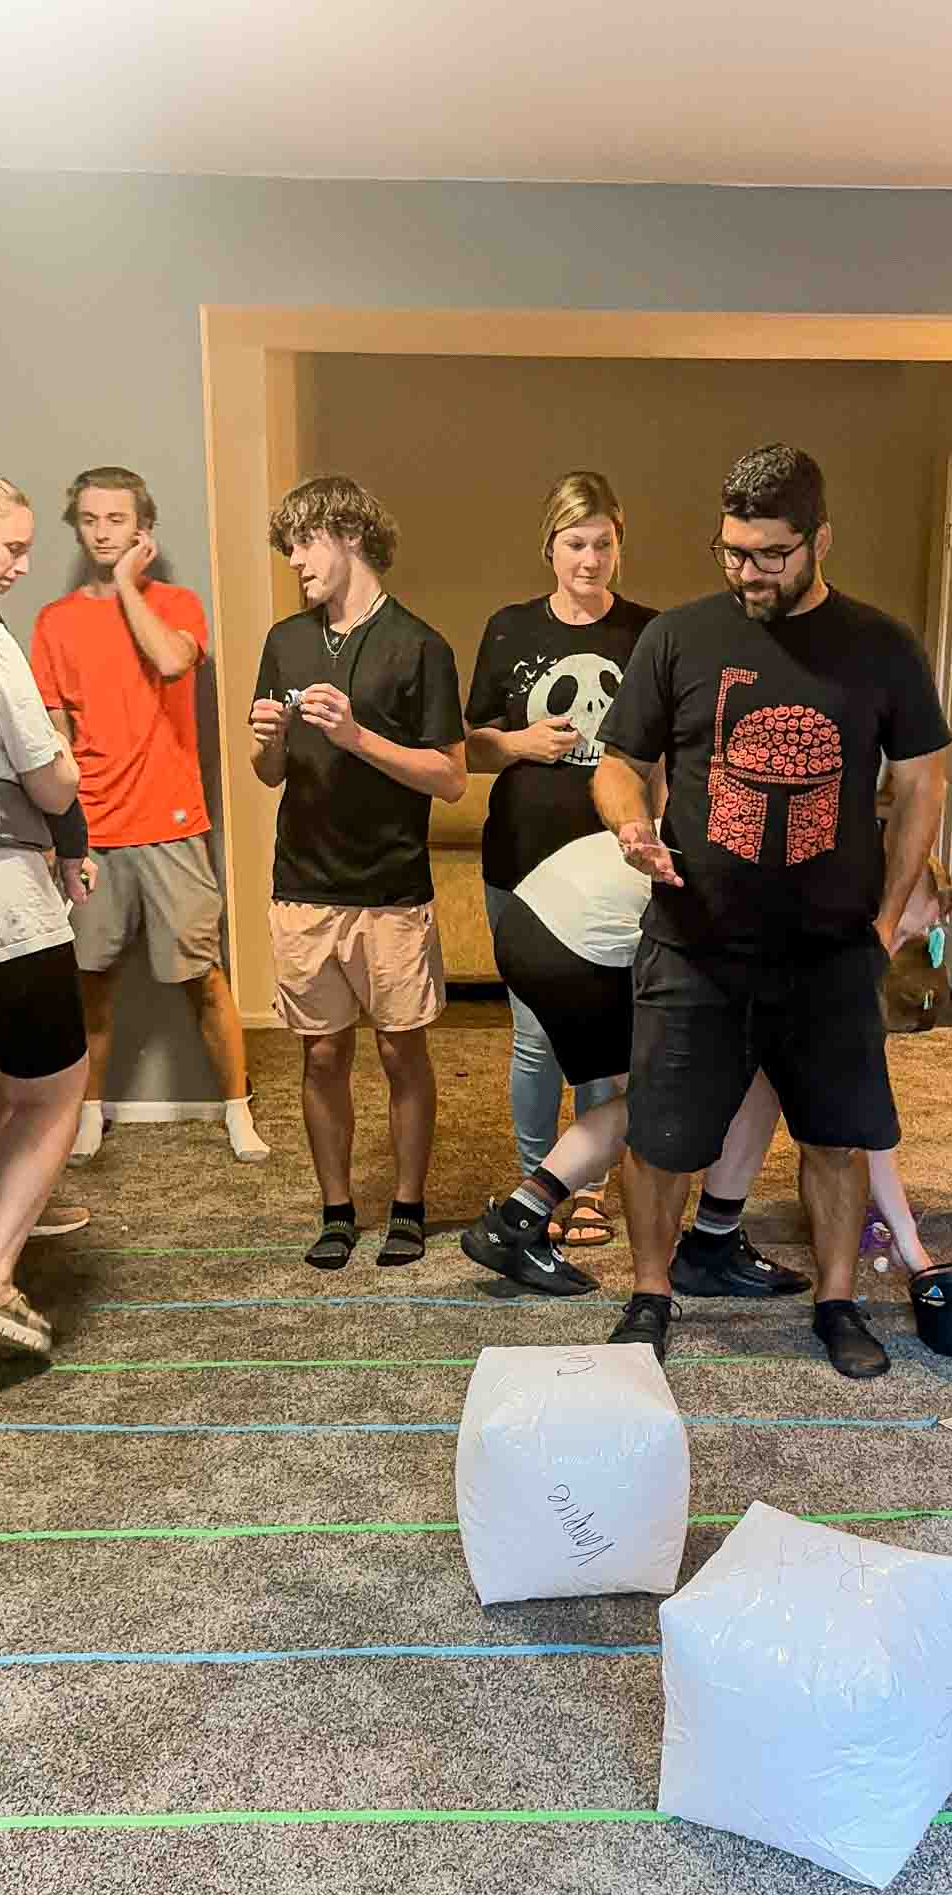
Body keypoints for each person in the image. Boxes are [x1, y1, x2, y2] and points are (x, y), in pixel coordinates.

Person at [592, 443, 950, 1375]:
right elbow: (619, 763)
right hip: (695, 941)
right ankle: (650, 1294)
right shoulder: (677, 636)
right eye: (733, 552)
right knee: (662, 1138)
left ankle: (837, 1302)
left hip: (830, 948)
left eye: (772, 555)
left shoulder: (883, 647)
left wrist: (883, 923)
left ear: (820, 540)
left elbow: (920, 787)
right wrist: (633, 825)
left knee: (836, 1137)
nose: (749, 573)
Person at [251, 474, 466, 1270]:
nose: (296, 561)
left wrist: (360, 736)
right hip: (302, 884)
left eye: (304, 543)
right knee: (319, 1055)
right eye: (289, 548)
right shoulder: (286, 640)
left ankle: (408, 1205)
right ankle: (336, 1208)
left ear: (347, 534)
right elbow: (267, 771)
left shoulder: (421, 645)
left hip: (390, 889)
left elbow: (450, 777)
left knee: (402, 1053)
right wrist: (268, 739)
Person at [459, 823, 810, 1299]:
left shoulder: (742, 820)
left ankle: (517, 1220)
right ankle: (713, 1246)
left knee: (653, 1102)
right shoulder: (788, 873)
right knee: (728, 1090)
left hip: (533, 922)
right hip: (578, 941)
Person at [30, 465, 267, 1165]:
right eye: (92, 520)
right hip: (93, 834)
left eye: (118, 520)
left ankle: (237, 1112)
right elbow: (53, 738)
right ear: (78, 525)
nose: (103, 532)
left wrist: (130, 587)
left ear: (143, 531)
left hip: (172, 825)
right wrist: (58, 834)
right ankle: (89, 1114)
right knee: (92, 981)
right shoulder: (54, 621)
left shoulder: (179, 603)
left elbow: (169, 661)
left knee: (204, 977)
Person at [464, 471, 656, 1247]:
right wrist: (519, 742)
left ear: (619, 545)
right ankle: (535, 1181)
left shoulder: (648, 632)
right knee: (535, 1034)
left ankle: (585, 1189)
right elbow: (466, 745)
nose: (590, 559)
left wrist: (656, 834)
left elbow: (667, 751)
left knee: (604, 1037)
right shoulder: (509, 628)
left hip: (613, 869)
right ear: (550, 546)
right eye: (575, 543)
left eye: (603, 543)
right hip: (520, 860)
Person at [0, 470, 92, 1355]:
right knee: (51, 1092)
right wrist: (67, 775)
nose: (23, 563)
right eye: (11, 545)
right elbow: (51, 778)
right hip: (3, 912)